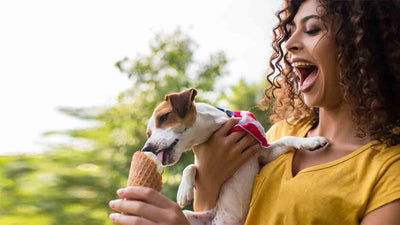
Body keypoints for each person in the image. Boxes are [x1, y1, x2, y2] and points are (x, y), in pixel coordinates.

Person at [108, 0, 400, 224]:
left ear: (363, 46)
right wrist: (206, 180)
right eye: (290, 30)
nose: (289, 43)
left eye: (312, 29)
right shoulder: (281, 133)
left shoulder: (389, 171)